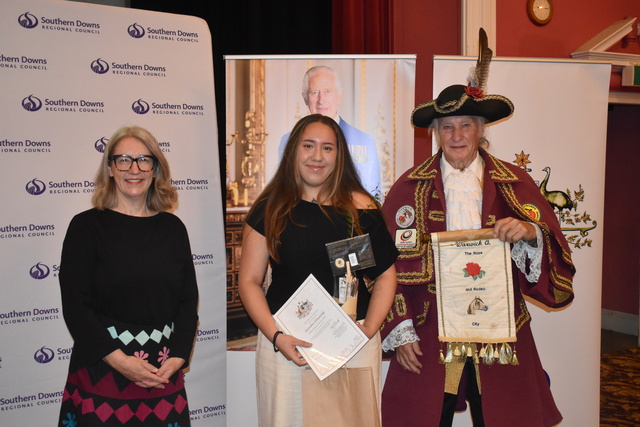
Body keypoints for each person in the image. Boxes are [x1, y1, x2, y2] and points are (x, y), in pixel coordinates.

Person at [379, 79, 576, 424]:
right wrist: (400, 329)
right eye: (447, 127)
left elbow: (552, 245)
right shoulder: (409, 187)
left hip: (501, 330)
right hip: (429, 332)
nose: (457, 136)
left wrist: (529, 234)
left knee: (503, 416)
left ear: (481, 129)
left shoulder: (514, 182)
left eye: (466, 125)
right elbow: (382, 267)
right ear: (436, 133)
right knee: (425, 416)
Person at [239, 114, 398, 426]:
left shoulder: (361, 209)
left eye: (327, 148)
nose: (317, 156)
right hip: (287, 344)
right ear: (293, 151)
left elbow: (385, 275)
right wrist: (276, 336)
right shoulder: (270, 208)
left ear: (339, 156)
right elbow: (249, 281)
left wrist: (367, 331)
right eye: (308, 145)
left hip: (351, 343)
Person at [58, 126, 199, 426]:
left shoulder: (174, 229)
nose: (134, 169)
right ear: (110, 168)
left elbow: (188, 301)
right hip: (102, 370)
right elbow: (75, 307)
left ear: (155, 168)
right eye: (123, 160)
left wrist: (178, 357)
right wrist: (121, 362)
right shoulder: (85, 227)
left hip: (162, 373)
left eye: (144, 160)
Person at [278, 65, 382, 199]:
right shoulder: (287, 140)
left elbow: (373, 196)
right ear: (305, 98)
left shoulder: (364, 141)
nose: (321, 100)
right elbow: (284, 189)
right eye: (314, 92)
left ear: (340, 96)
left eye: (327, 91)